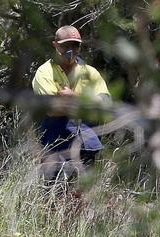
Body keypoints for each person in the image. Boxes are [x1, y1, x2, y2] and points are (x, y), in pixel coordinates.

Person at [32, 25, 111, 165]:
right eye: (65, 46)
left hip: (87, 144)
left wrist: (73, 97)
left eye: (75, 46)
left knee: (84, 185)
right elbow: (52, 109)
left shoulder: (90, 72)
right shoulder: (44, 72)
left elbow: (106, 103)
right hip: (56, 145)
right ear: (55, 45)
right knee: (55, 185)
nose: (70, 50)